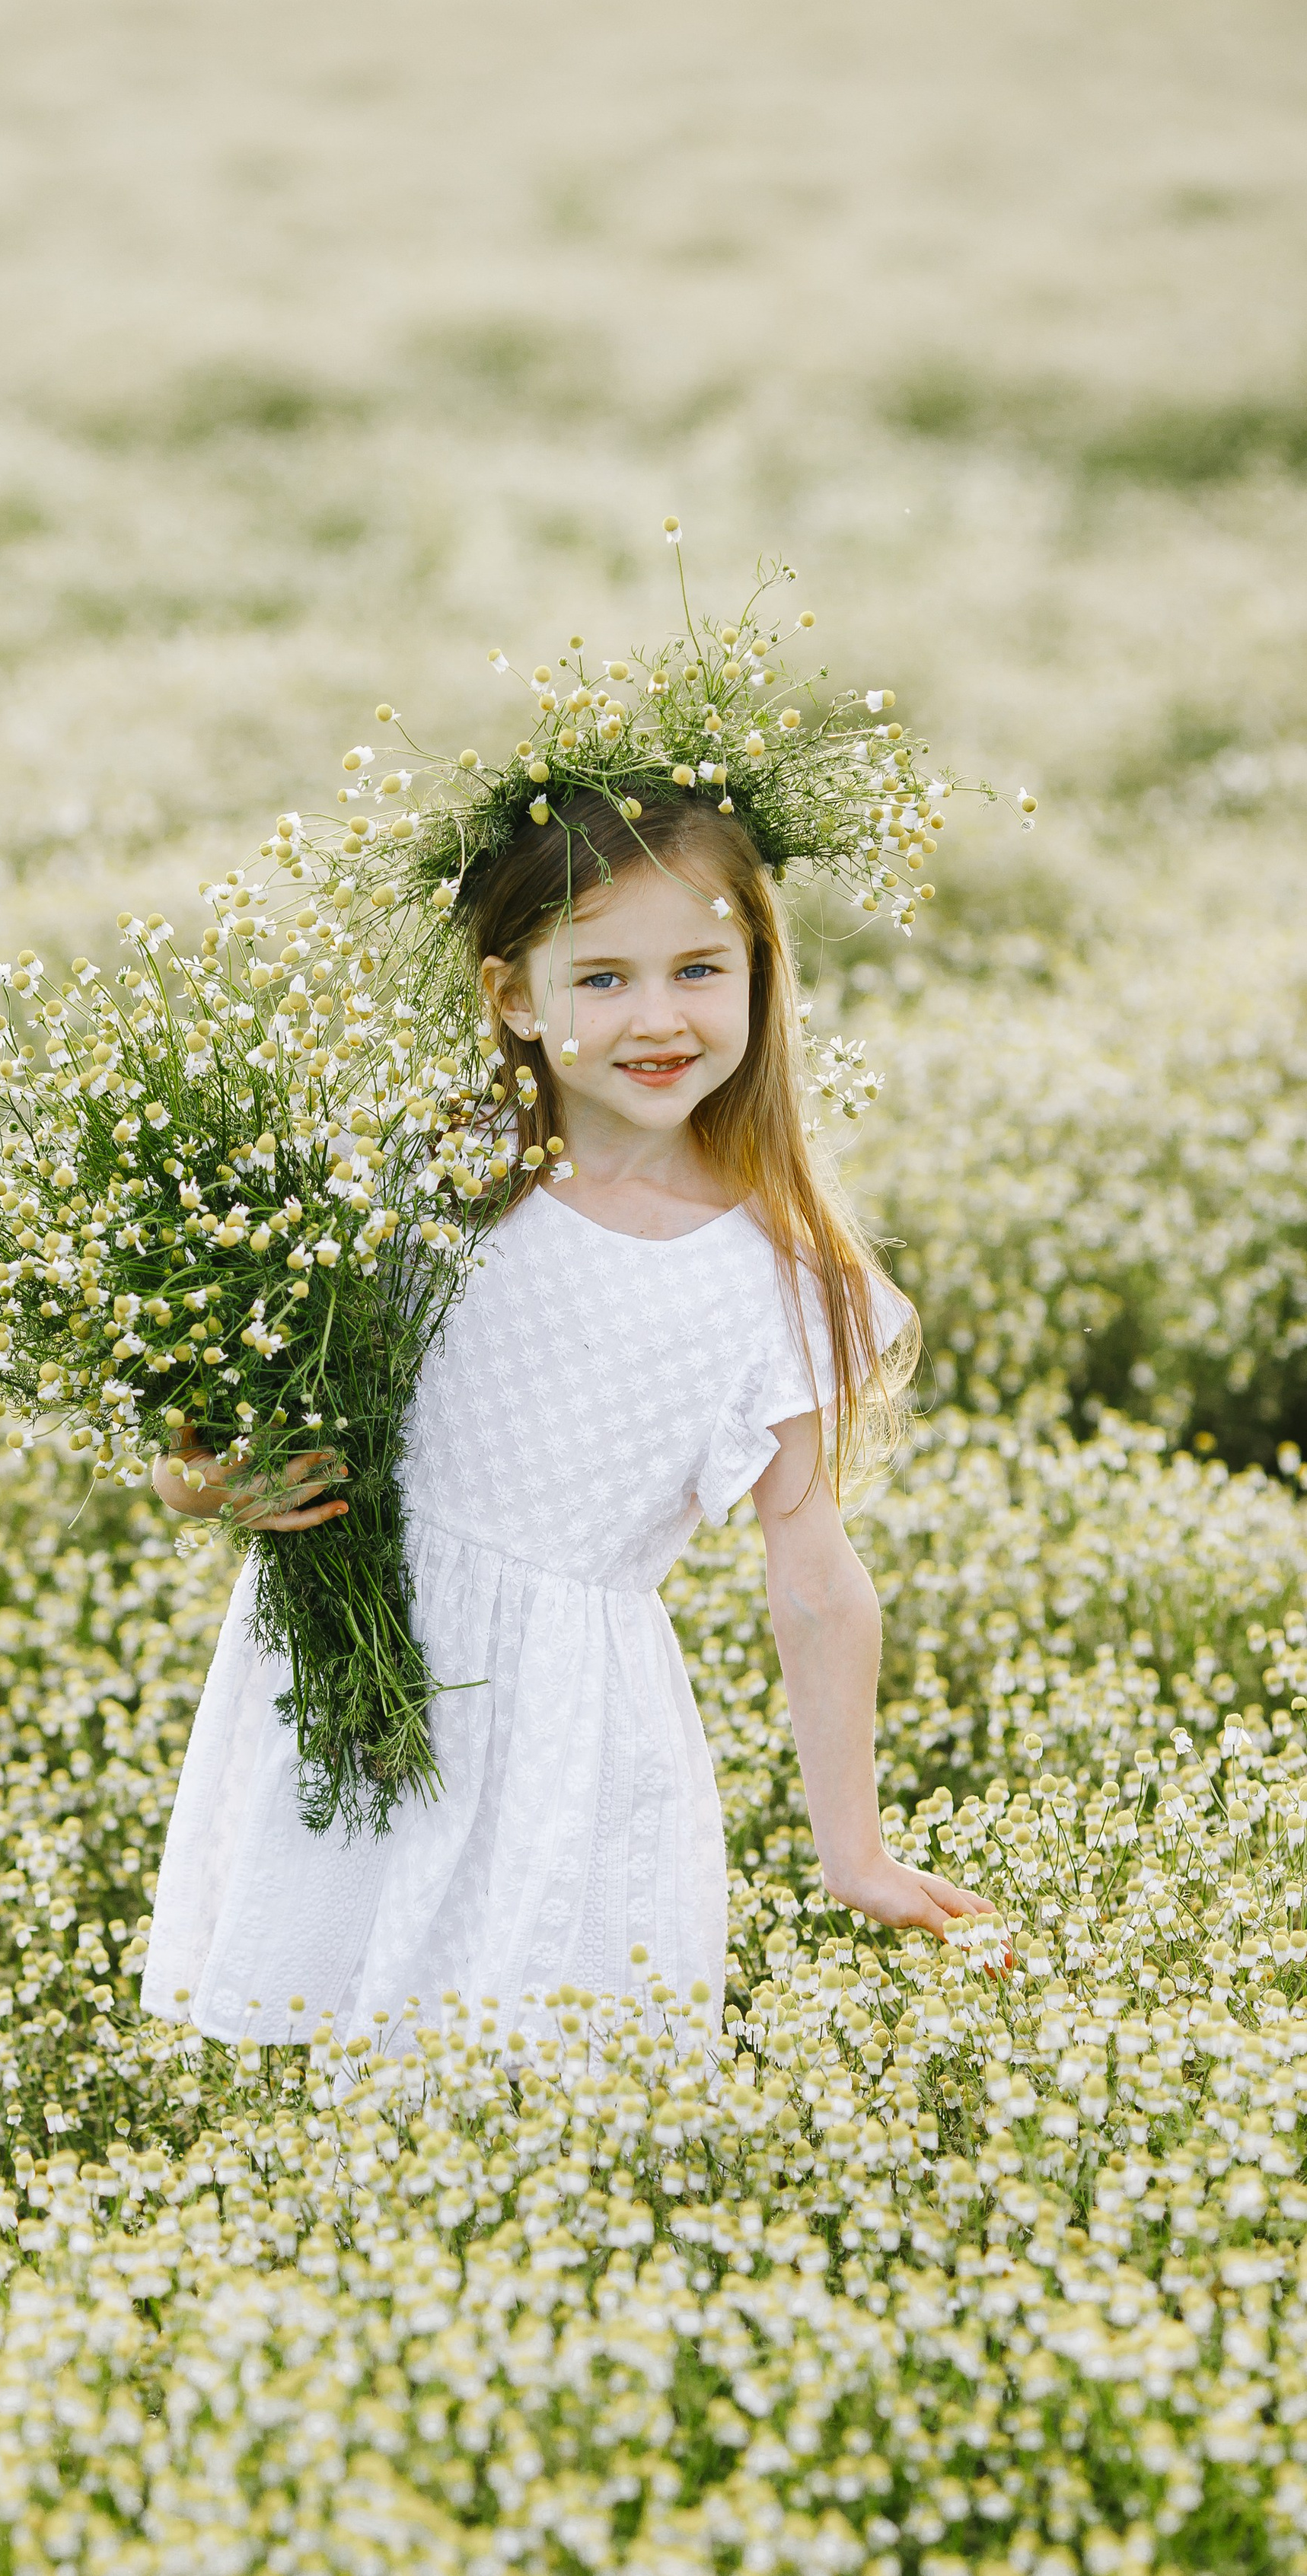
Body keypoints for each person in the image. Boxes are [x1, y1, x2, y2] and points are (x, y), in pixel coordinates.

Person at [139, 785, 999, 2051]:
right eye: (602, 979)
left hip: (566, 1744)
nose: (658, 1018)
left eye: (700, 968)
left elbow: (815, 1579)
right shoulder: (423, 1179)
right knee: (317, 2066)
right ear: (515, 1000)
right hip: (351, 1698)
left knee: (521, 2088)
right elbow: (203, 1453)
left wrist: (854, 1851)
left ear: (762, 979)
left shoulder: (788, 1277)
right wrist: (222, 1489)